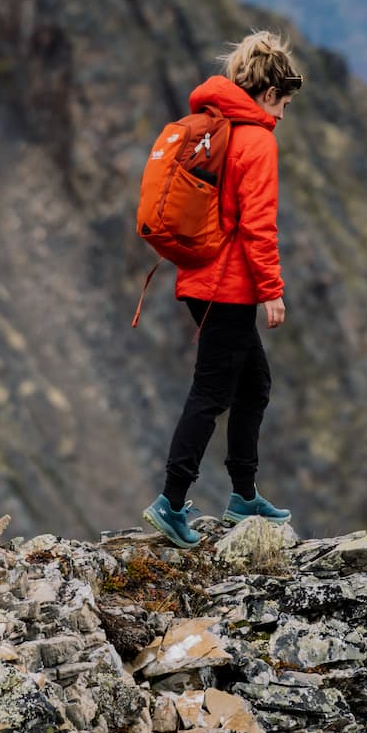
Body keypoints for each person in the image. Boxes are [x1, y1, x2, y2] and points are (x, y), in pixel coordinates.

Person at [143, 30, 303, 549]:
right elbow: (259, 226)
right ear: (266, 93)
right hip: (228, 289)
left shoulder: (217, 129)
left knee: (253, 384)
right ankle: (170, 502)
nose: (281, 115)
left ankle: (242, 495)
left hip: (200, 281)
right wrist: (272, 290)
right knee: (213, 391)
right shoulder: (256, 141)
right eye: (280, 103)